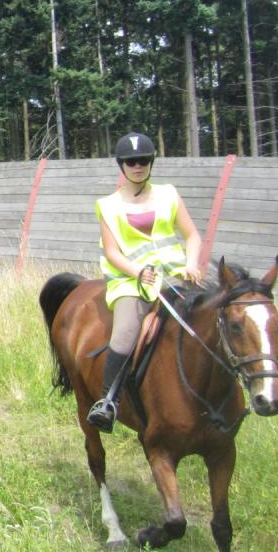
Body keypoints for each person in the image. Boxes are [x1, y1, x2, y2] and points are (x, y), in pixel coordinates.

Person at [86, 131, 203, 433]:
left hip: (176, 276)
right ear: (121, 165)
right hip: (131, 282)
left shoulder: (169, 194)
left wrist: (192, 263)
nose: (137, 166)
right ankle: (108, 400)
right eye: (131, 161)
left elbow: (192, 235)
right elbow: (112, 252)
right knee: (125, 332)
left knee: (221, 314)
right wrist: (137, 271)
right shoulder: (107, 205)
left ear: (151, 162)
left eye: (143, 161)